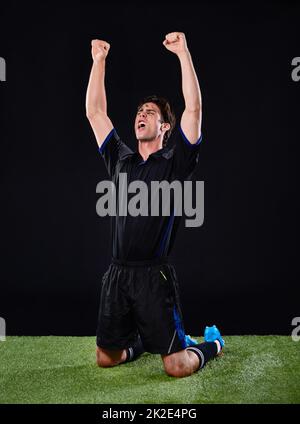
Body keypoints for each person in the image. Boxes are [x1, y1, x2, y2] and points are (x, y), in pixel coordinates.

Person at [86, 32, 224, 378]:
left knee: (176, 367)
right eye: (139, 111)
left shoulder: (175, 161)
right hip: (116, 274)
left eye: (149, 112)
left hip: (153, 277)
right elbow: (95, 112)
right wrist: (98, 61)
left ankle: (213, 344)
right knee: (106, 358)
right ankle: (145, 342)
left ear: (164, 127)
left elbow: (194, 108)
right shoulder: (120, 159)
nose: (141, 115)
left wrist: (183, 53)